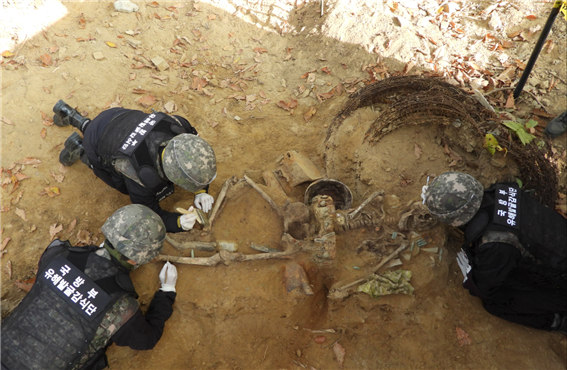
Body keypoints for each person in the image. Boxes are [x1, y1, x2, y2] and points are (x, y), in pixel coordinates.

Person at [1, 204, 178, 370]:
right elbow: (146, 339)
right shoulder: (121, 307)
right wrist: (167, 291)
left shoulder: (57, 254)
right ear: (142, 256)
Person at [422, 171, 567, 334]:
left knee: (496, 302)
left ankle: (559, 321)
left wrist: (472, 271)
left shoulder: (496, 242)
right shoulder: (502, 189)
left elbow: (484, 288)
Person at [53, 100, 216, 233]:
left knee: (104, 134)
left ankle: (74, 117)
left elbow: (196, 159)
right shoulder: (141, 176)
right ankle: (80, 149)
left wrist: (201, 190)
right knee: (117, 180)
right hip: (97, 140)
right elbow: (150, 214)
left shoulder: (178, 127)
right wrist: (177, 222)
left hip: (117, 115)